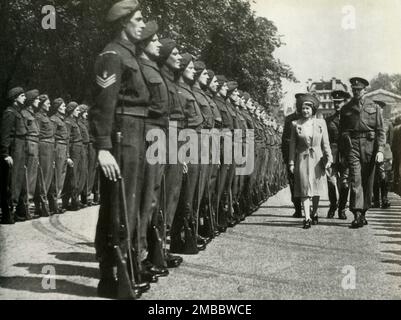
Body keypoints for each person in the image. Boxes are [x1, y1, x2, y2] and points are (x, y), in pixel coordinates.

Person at [90, 0, 156, 299]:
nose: (143, 24)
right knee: (118, 207)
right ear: (123, 23)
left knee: (131, 204)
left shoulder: (132, 56)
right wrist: (103, 147)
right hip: (122, 135)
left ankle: (126, 270)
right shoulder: (112, 56)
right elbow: (103, 105)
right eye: (138, 19)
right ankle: (112, 275)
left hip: (137, 133)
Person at [339, 77, 385, 228]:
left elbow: (380, 131)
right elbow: (342, 131)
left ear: (365, 90)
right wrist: (344, 149)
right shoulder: (346, 108)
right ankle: (357, 212)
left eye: (359, 90)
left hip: (370, 146)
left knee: (368, 180)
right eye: (354, 90)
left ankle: (364, 211)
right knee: (355, 179)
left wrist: (380, 150)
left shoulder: (374, 107)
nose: (356, 92)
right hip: (353, 146)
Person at [289, 93, 332, 229]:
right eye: (303, 108)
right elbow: (292, 145)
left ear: (313, 110)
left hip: (317, 159)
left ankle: (314, 213)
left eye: (308, 108)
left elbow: (326, 143)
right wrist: (291, 162)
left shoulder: (320, 123)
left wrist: (329, 158)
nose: (305, 111)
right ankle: (307, 217)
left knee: (316, 189)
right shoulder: (296, 124)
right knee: (304, 188)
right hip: (302, 159)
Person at [1, 87, 28, 223]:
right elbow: (5, 134)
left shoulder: (19, 113)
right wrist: (5, 153)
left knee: (19, 181)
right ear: (15, 98)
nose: (24, 97)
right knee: (11, 182)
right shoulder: (10, 113)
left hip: (20, 148)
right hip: (14, 150)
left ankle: (19, 212)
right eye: (22, 95)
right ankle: (8, 214)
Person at [325, 90, 351, 219]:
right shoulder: (328, 120)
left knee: (345, 183)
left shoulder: (351, 119)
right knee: (331, 182)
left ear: (345, 102)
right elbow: (325, 140)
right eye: (335, 102)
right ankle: (333, 205)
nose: (337, 105)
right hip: (332, 154)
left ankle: (342, 209)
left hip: (346, 155)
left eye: (339, 102)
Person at [282, 94, 304, 218]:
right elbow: (285, 138)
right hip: (292, 155)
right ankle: (297, 208)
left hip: (304, 155)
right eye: (298, 104)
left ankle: (307, 207)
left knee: (305, 182)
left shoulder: (308, 118)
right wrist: (286, 157)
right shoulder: (289, 119)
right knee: (293, 182)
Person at [34, 94, 55, 217]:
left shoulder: (45, 117)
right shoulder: (38, 117)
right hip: (43, 147)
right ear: (42, 105)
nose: (49, 105)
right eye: (47, 103)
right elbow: (37, 134)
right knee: (43, 176)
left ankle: (43, 204)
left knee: (48, 176)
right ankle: (41, 205)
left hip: (50, 147)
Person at [49, 98, 70, 214]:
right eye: (62, 106)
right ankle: (54, 204)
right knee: (57, 176)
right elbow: (51, 136)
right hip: (58, 148)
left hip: (63, 148)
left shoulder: (62, 120)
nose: (64, 108)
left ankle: (57, 202)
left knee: (61, 176)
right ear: (57, 108)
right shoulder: (54, 119)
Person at [62, 101, 83, 211]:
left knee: (77, 174)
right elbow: (67, 140)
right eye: (77, 110)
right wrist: (68, 156)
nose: (78, 112)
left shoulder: (74, 121)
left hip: (78, 149)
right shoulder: (68, 122)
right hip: (73, 149)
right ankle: (73, 201)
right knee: (73, 176)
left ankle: (75, 200)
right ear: (71, 111)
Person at [372, 100, 393, 208]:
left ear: (382, 110)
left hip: (384, 153)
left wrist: (388, 154)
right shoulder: (370, 122)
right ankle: (375, 200)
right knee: (374, 177)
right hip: (371, 153)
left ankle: (384, 198)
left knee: (384, 175)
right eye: (376, 108)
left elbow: (390, 141)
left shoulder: (387, 123)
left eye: (380, 109)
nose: (378, 111)